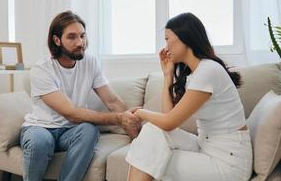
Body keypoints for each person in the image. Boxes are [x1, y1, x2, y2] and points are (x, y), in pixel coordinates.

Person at [126, 13, 253, 181]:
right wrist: (167, 75)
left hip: (228, 162)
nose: (165, 47)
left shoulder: (208, 70)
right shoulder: (195, 74)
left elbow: (169, 122)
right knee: (152, 132)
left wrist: (140, 112)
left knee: (150, 157)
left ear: (184, 39)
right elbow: (167, 121)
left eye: (167, 39)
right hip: (206, 145)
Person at [20, 10, 141, 181]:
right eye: (72, 37)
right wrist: (119, 119)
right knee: (40, 142)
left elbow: (112, 101)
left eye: (82, 36)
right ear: (57, 40)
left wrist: (133, 124)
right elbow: (71, 113)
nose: (80, 42)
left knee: (89, 130)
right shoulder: (42, 70)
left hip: (71, 131)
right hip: (40, 128)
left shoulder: (90, 63)